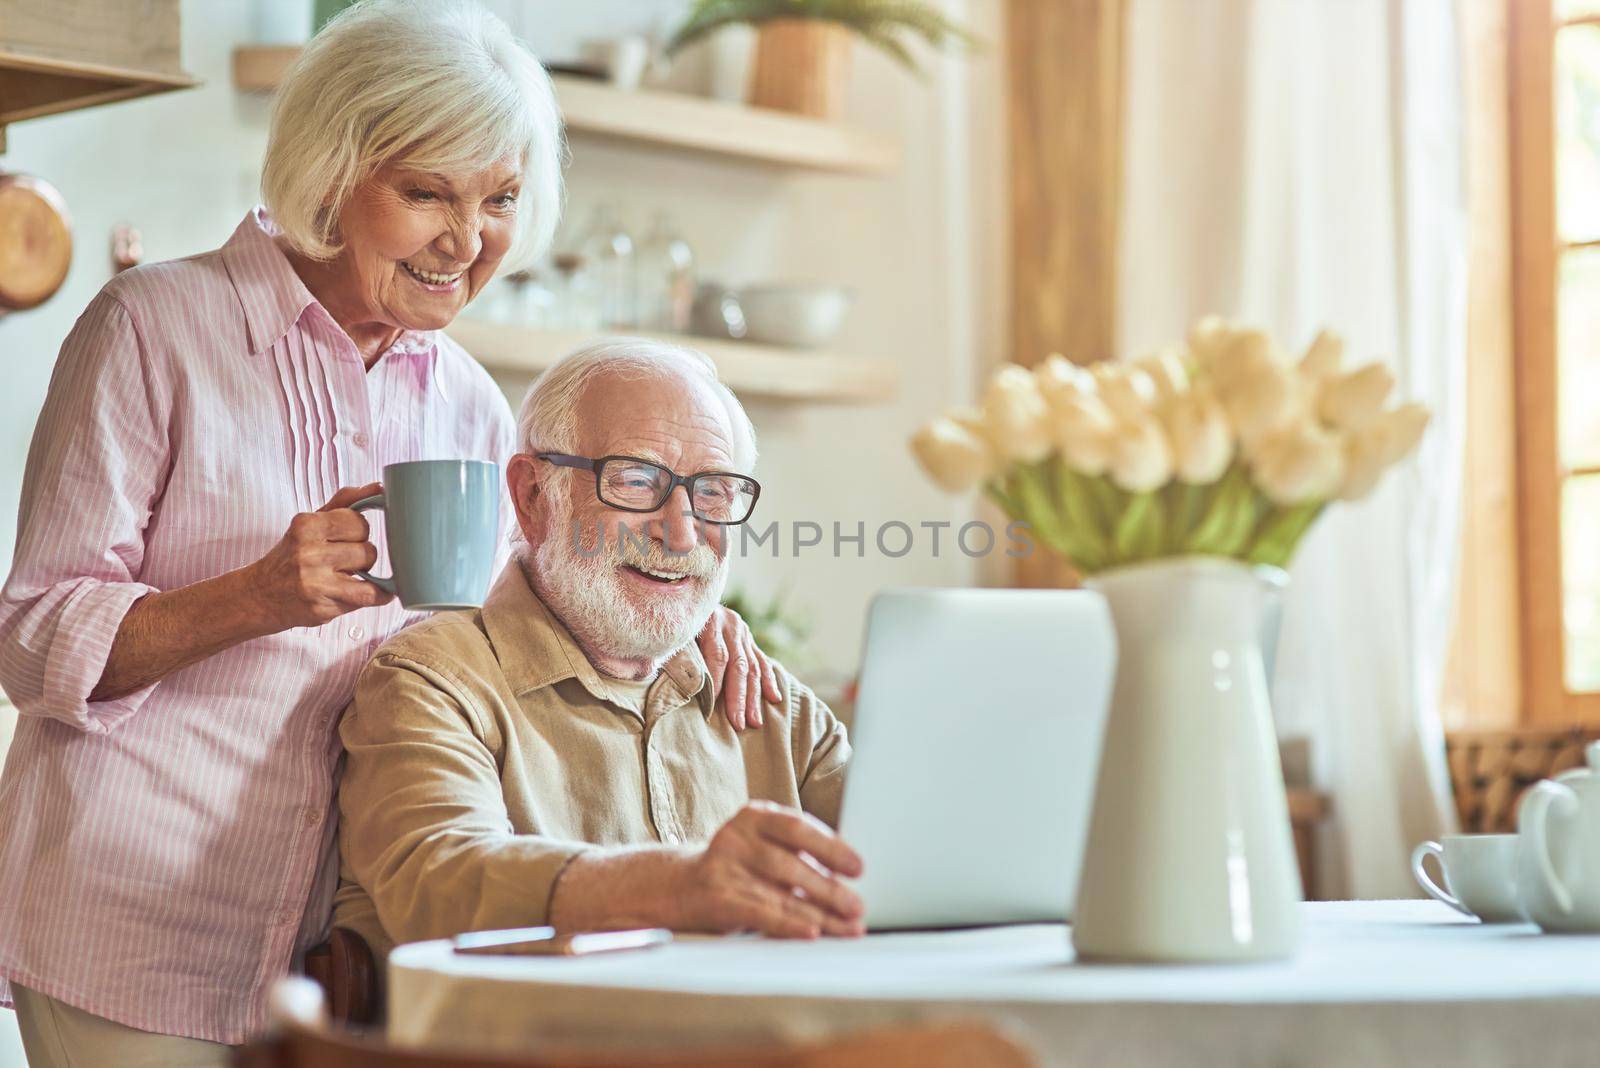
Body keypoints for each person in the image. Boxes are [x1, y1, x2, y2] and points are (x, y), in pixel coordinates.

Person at [0, 3, 775, 1063]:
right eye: (427, 194)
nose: (467, 240)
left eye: (499, 199)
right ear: (332, 172)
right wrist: (258, 596)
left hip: (347, 944)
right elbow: (35, 637)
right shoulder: (153, 327)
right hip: (136, 918)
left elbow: (522, 620)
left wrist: (685, 618)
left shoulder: (468, 401)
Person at [334, 338, 865, 958]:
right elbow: (441, 880)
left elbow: (914, 862)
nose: (682, 530)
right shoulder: (432, 680)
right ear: (533, 497)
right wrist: (678, 886)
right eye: (636, 481)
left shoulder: (770, 703)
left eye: (714, 491)